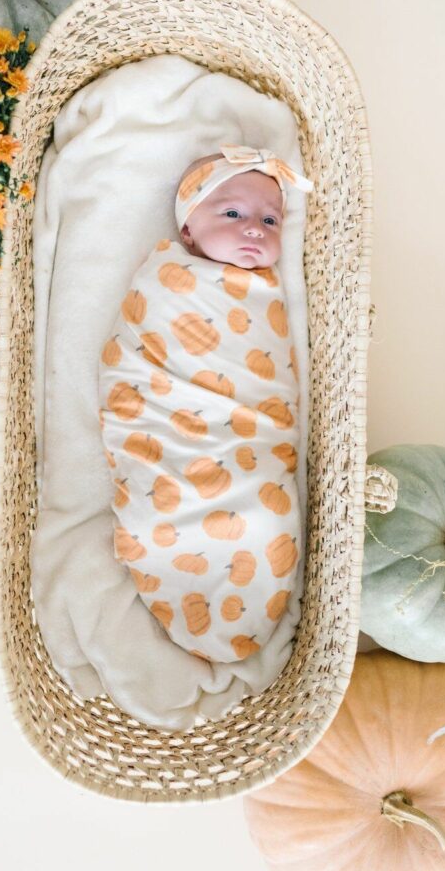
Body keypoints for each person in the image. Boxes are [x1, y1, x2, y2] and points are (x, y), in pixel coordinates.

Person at [97, 144, 312, 662]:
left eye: (269, 218)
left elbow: (274, 380)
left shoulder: (269, 292)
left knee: (264, 513)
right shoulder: (170, 281)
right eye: (232, 213)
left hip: (246, 438)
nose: (254, 228)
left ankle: (248, 588)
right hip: (174, 430)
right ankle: (164, 537)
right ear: (187, 230)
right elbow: (135, 359)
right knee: (157, 519)